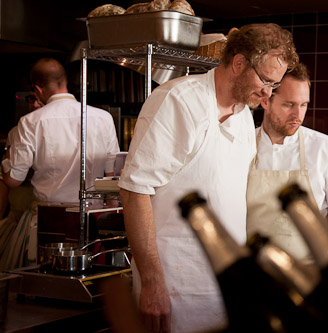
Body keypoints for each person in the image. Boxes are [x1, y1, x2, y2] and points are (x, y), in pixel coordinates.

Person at [118, 23, 298, 332]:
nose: (268, 93)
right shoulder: (178, 101)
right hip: (174, 285)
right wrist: (151, 282)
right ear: (239, 63)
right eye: (266, 80)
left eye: (275, 84)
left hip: (223, 286)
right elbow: (135, 191)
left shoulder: (243, 116)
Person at [0, 57, 120, 269]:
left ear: (37, 88)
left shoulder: (30, 122)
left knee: (49, 285)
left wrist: (7, 156)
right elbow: (112, 177)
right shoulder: (103, 118)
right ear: (65, 81)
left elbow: (13, 180)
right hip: (94, 220)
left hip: (50, 223)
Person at [246, 63, 328, 263]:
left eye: (304, 104)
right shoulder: (242, 146)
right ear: (265, 100)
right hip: (254, 274)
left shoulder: (327, 149)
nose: (298, 116)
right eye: (289, 104)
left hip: (311, 273)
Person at [0, 91, 43, 271]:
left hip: (39, 217)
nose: (35, 104)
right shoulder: (17, 132)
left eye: (39, 99)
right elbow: (2, 180)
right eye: (31, 99)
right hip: (15, 218)